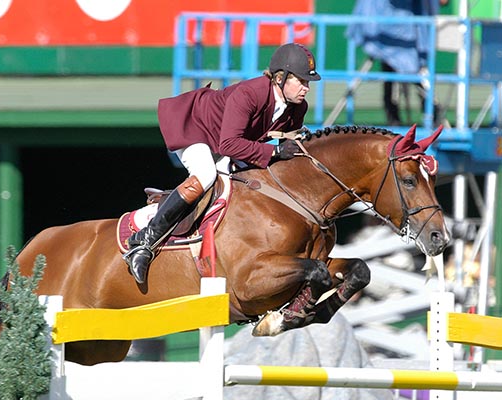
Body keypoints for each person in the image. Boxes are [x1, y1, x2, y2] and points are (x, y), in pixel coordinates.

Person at [122, 42, 321, 284]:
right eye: (301, 81)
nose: (306, 88)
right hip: (197, 128)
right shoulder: (249, 93)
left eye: (308, 82)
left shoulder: (297, 107)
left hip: (229, 140)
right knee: (206, 175)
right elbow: (229, 144)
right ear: (280, 78)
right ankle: (144, 241)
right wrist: (276, 151)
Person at [347, 0, 447, 126]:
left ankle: (432, 120)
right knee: (394, 80)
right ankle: (395, 124)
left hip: (409, 40)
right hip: (388, 37)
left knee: (418, 79)